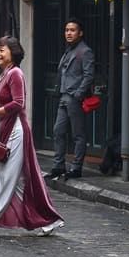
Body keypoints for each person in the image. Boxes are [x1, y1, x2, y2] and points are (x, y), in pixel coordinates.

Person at [0, 36, 65, 237]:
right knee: (20, 181)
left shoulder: (15, 74)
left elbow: (18, 103)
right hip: (6, 130)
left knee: (3, 178)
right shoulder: (3, 75)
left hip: (16, 131)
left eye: (1, 50)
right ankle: (49, 220)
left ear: (13, 52)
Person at [46, 18, 95, 180]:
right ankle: (58, 166)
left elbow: (89, 75)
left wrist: (79, 93)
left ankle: (76, 167)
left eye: (72, 30)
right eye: (67, 30)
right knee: (58, 131)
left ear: (80, 33)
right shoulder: (68, 51)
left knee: (78, 134)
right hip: (63, 96)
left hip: (74, 98)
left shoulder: (85, 51)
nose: (68, 33)